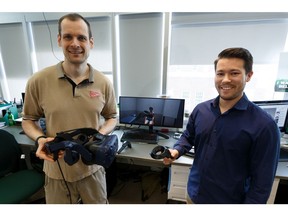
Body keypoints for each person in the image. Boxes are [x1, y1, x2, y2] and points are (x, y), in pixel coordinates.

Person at [163, 47, 280, 204]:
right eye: (220, 73)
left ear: (248, 76)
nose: (225, 79)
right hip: (194, 193)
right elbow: (188, 136)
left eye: (234, 73)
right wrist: (176, 150)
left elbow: (262, 184)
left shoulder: (265, 125)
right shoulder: (201, 110)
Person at [22, 13, 117, 204]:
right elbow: (28, 120)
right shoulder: (38, 81)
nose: (75, 43)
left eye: (81, 37)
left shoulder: (103, 82)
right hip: (56, 170)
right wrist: (40, 139)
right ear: (59, 40)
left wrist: (99, 135)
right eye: (68, 37)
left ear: (91, 42)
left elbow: (112, 116)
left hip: (93, 169)